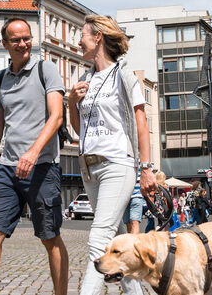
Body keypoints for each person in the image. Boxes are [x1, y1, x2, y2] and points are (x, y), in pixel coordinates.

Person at [0, 18, 68, 295]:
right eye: (16, 40)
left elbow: (57, 116)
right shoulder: (0, 78)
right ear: (5, 44)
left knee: (49, 237)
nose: (23, 44)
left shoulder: (45, 69)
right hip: (7, 169)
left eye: (26, 38)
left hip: (43, 167)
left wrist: (33, 152)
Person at [68, 16, 156, 295]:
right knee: (118, 238)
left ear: (98, 38)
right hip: (89, 169)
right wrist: (72, 102)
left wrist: (146, 168)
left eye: (82, 35)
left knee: (99, 236)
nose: (78, 41)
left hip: (118, 163)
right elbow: (79, 128)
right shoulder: (84, 79)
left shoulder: (124, 76)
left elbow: (141, 123)